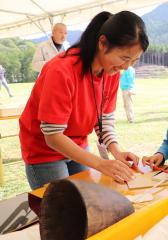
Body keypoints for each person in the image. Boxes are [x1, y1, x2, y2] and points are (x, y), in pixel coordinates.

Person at [19, 11, 149, 190]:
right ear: (102, 43)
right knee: (63, 210)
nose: (126, 67)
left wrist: (116, 151)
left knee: (88, 202)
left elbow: (104, 119)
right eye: (124, 58)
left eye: (133, 61)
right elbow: (53, 135)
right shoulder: (61, 70)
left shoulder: (111, 71)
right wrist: (101, 164)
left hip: (77, 144)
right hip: (45, 151)